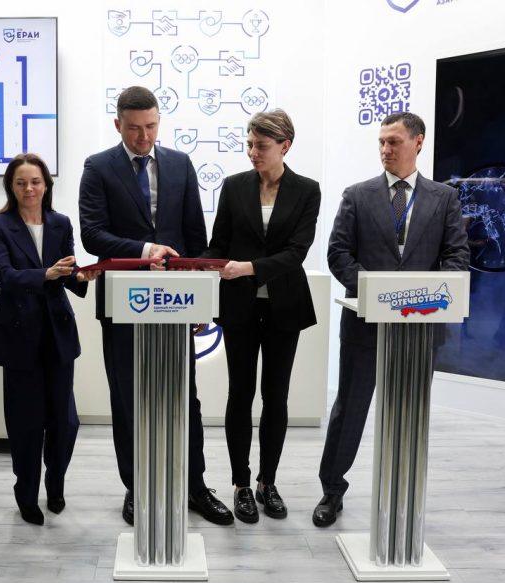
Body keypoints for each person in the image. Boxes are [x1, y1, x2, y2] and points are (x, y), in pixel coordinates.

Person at [79, 85, 233, 526]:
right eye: (134, 128)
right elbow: (92, 234)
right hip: (123, 301)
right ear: (118, 125)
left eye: (150, 126)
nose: (143, 136)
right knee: (128, 398)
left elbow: (194, 238)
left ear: (159, 121)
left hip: (176, 301)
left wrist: (201, 300)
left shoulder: (181, 164)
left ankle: (195, 485)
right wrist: (146, 249)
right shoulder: (98, 167)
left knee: (185, 396)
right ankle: (137, 486)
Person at [314, 111, 469, 527]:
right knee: (350, 408)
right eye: (382, 142)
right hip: (365, 323)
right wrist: (376, 292)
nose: (385, 149)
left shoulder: (444, 198)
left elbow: (457, 256)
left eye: (394, 142)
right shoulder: (357, 195)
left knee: (409, 412)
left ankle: (402, 493)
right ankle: (332, 490)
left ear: (418, 142)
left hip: (421, 328)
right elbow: (338, 254)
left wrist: (427, 294)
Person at [201, 110, 320, 523]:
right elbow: (218, 244)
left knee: (276, 396)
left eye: (262, 146)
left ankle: (269, 482)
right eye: (249, 144)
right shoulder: (234, 186)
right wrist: (193, 267)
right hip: (239, 306)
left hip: (285, 306)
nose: (253, 152)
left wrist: (248, 267)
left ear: (285, 146)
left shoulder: (307, 190)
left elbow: (296, 252)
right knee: (240, 394)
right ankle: (241, 485)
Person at [0, 154, 100, 525]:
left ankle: (56, 481)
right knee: (25, 422)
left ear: (46, 184)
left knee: (65, 422)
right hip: (18, 334)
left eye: (35, 181)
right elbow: (3, 275)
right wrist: (46, 274)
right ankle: (26, 492)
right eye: (21, 183)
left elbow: (66, 272)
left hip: (57, 333)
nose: (29, 189)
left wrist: (79, 277)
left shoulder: (60, 222)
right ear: (11, 186)